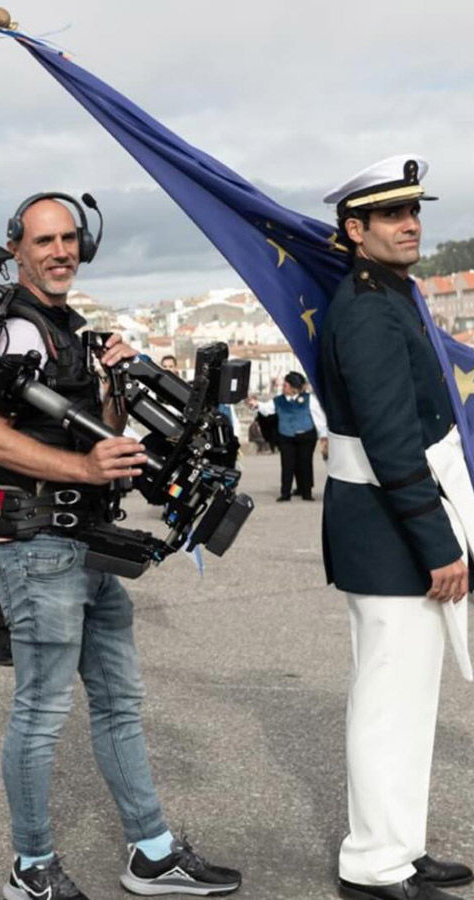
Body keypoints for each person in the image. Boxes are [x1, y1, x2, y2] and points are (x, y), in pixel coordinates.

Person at [0, 193, 240, 900]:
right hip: (37, 547)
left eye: (68, 239)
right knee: (41, 712)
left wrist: (114, 383)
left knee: (119, 702)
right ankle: (30, 870)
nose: (59, 251)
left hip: (85, 543)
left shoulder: (69, 329)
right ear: (17, 250)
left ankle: (151, 853)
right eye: (44, 241)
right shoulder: (15, 330)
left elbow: (103, 434)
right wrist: (85, 469)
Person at [319, 156, 473, 900]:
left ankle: (399, 847)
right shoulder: (367, 309)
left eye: (414, 211)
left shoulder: (390, 295)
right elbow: (391, 441)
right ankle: (373, 865)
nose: (410, 224)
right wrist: (439, 545)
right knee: (388, 702)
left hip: (392, 528)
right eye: (391, 214)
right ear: (355, 230)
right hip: (388, 533)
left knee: (412, 699)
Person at [249, 372, 328, 500]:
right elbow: (267, 408)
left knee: (305, 463)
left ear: (294, 388)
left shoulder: (309, 400)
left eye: (285, 385)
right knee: (287, 464)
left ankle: (306, 492)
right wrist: (256, 404)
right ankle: (285, 493)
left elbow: (319, 418)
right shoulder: (279, 400)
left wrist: (323, 435)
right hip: (286, 436)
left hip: (306, 436)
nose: (283, 387)